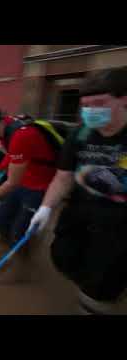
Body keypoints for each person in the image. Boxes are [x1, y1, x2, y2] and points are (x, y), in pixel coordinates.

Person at [28, 67, 127, 314]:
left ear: (123, 99)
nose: (92, 111)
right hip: (80, 215)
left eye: (100, 103)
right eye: (86, 105)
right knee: (63, 257)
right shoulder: (80, 135)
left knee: (101, 284)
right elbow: (63, 178)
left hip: (119, 225)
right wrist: (45, 208)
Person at [0, 101, 60, 282]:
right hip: (25, 178)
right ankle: (11, 248)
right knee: (2, 219)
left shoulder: (21, 136)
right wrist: (8, 158)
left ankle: (21, 266)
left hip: (40, 186)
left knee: (20, 230)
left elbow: (12, 183)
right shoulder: (5, 126)